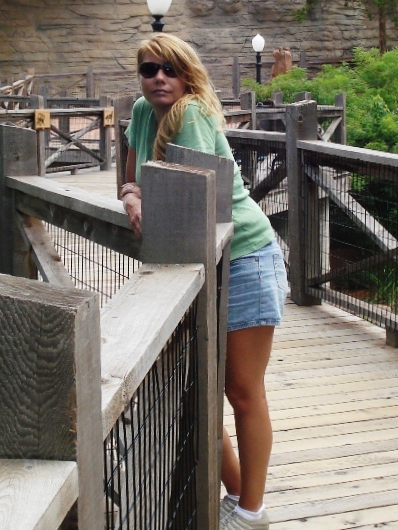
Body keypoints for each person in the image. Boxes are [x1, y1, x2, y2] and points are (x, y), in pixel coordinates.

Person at [120, 33, 286, 530]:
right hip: (200, 259)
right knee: (205, 392)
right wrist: (132, 195)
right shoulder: (142, 111)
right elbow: (132, 180)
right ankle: (238, 499)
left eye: (170, 69)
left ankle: (251, 511)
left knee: (241, 389)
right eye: (150, 70)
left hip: (244, 255)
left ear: (187, 73)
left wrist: (142, 195)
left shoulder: (189, 114)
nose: (159, 79)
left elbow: (187, 202)